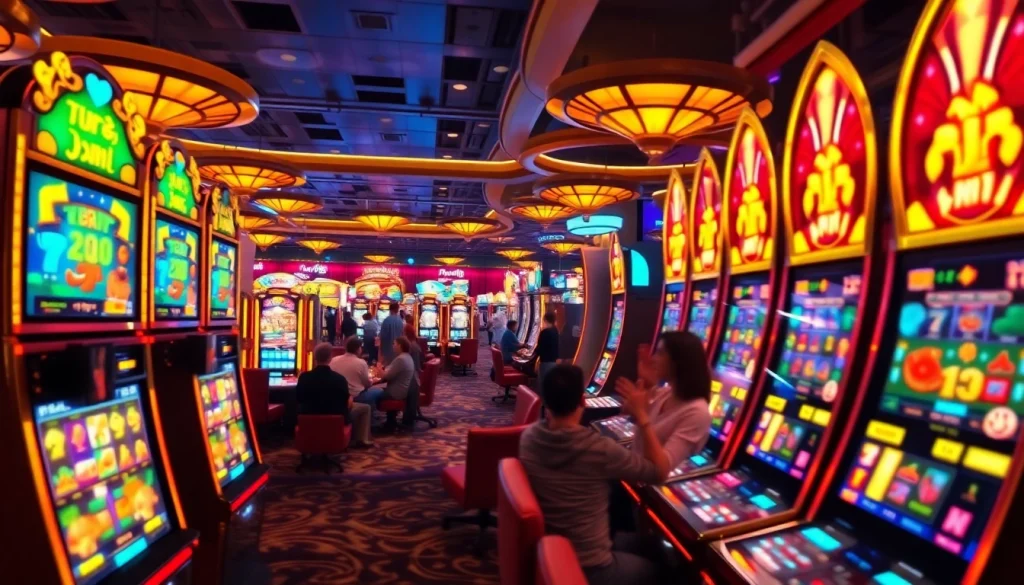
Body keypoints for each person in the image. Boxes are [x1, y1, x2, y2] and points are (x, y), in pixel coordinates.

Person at [519, 364, 674, 585]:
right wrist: (642, 416)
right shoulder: (598, 449)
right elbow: (659, 472)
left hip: (552, 551)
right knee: (667, 568)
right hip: (591, 566)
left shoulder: (529, 437)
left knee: (652, 545)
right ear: (583, 401)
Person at [328, 337, 375, 447]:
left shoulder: (334, 360)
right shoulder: (361, 362)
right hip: (356, 396)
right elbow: (367, 383)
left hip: (337, 397)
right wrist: (372, 381)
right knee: (378, 392)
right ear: (358, 349)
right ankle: (367, 429)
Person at [356, 336, 416, 414]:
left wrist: (379, 367)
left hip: (395, 393)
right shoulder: (407, 357)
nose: (393, 346)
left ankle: (368, 417)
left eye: (394, 344)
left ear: (400, 345)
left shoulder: (401, 359)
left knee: (369, 394)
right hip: (401, 391)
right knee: (374, 389)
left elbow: (386, 376)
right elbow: (389, 371)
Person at [295, 343, 350, 418]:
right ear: (330, 358)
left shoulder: (304, 377)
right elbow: (344, 402)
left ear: (315, 357)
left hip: (308, 424)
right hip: (334, 424)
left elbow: (299, 399)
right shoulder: (340, 379)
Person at [530, 311, 560, 391]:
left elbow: (539, 348)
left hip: (545, 361)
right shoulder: (555, 331)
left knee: (543, 385)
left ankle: (542, 402)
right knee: (550, 385)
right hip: (553, 361)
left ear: (545, 320)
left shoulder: (544, 332)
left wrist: (530, 355)